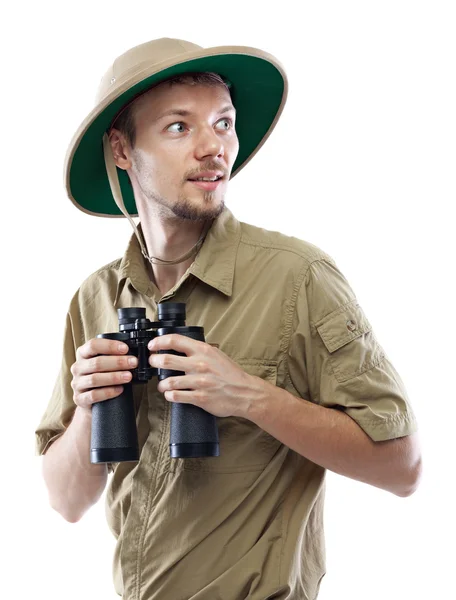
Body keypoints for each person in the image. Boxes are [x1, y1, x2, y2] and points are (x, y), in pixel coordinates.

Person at [35, 37, 422, 600]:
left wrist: (246, 396)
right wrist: (91, 410)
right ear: (122, 149)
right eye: (179, 127)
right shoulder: (95, 297)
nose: (213, 147)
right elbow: (65, 502)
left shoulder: (298, 276)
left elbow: (403, 468)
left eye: (223, 123)